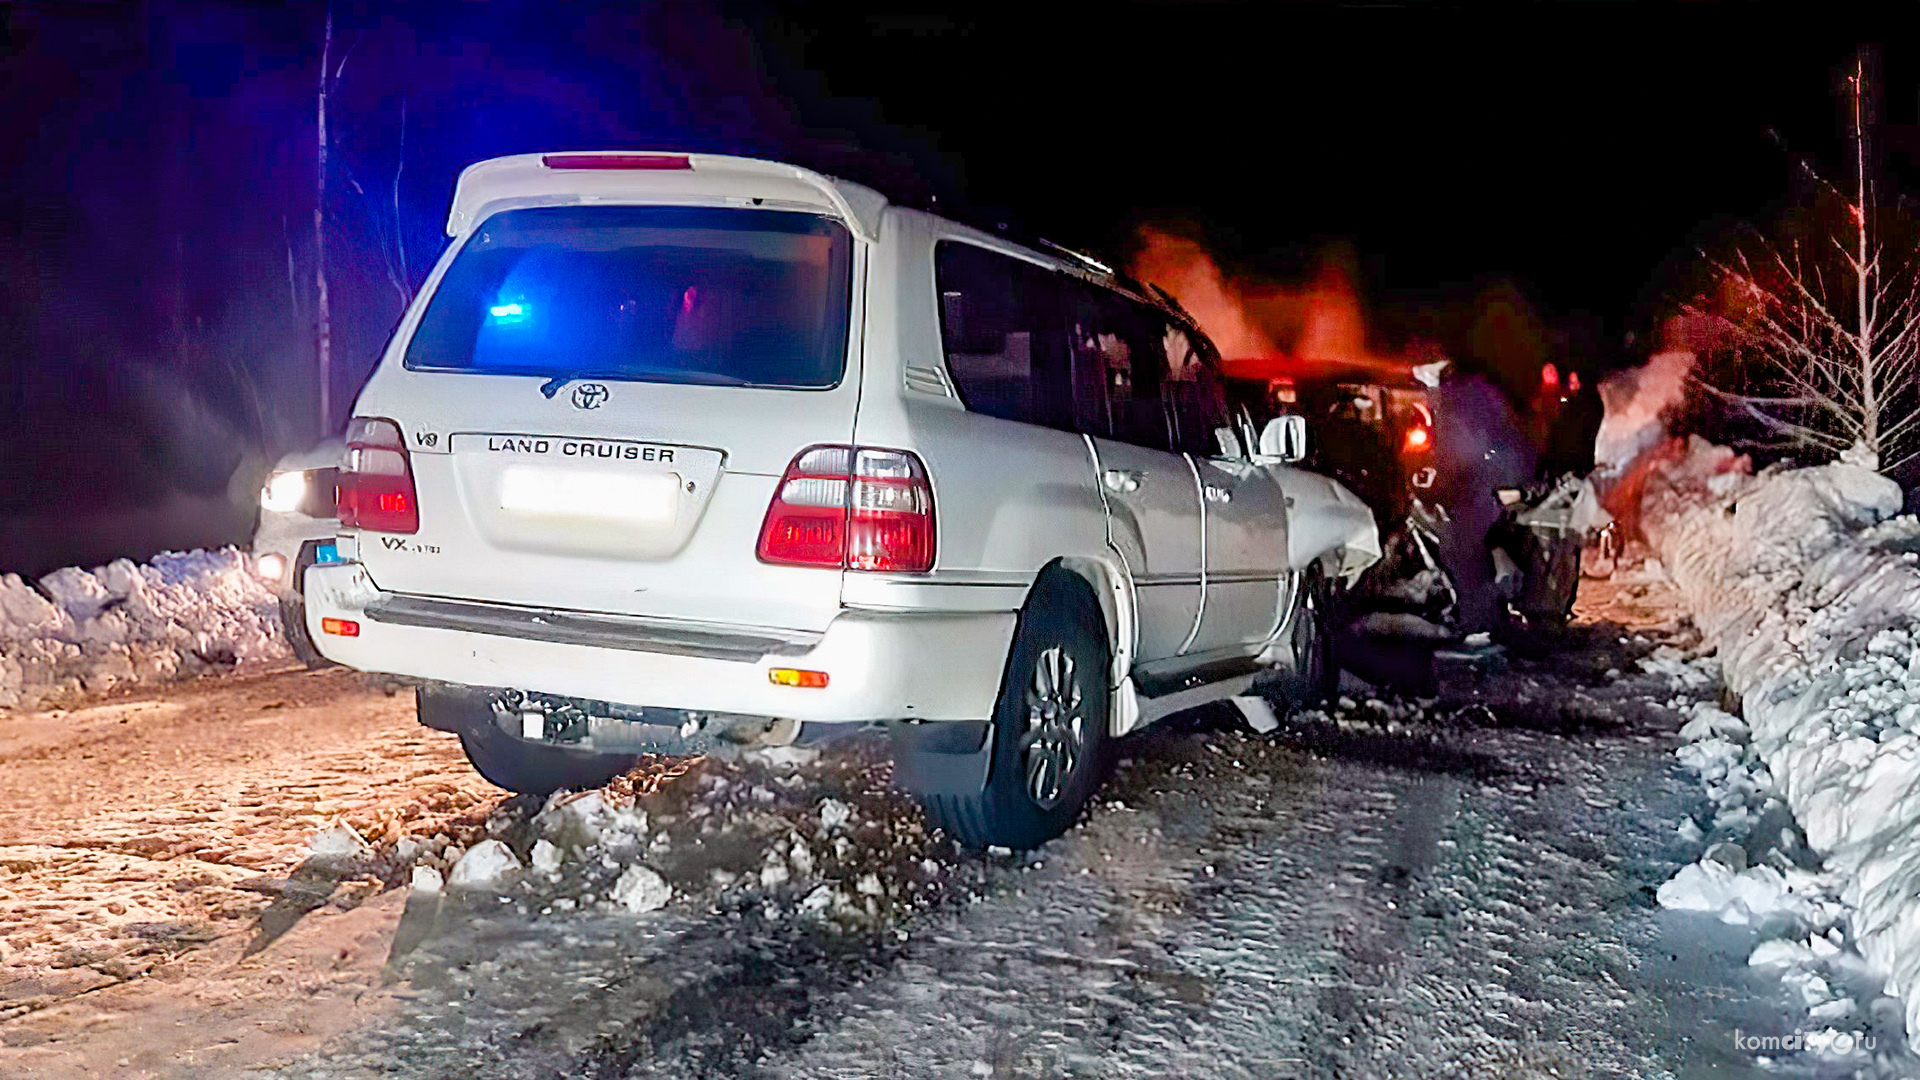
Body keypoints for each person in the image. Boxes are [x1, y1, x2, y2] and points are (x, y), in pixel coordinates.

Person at [1413, 358, 1539, 653]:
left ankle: (1479, 628)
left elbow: (1455, 450)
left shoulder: (1458, 403)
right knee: (1473, 557)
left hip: (1474, 491)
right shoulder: (1479, 396)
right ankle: (1488, 621)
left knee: (1466, 557)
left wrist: (1440, 485)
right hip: (1484, 489)